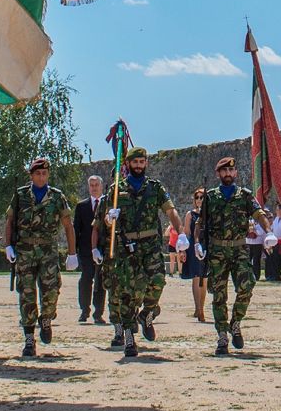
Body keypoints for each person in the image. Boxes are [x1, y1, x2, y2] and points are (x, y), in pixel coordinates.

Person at [91, 146, 186, 357]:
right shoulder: (116, 190)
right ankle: (129, 337)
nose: (138, 166)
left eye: (142, 162)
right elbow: (104, 221)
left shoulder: (155, 188)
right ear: (128, 164)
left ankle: (146, 314)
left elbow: (171, 211)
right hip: (126, 247)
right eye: (135, 162)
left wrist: (181, 234)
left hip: (150, 244)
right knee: (126, 293)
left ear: (146, 164)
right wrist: (110, 218)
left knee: (158, 281)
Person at [193, 156, 273, 356]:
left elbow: (259, 214)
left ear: (235, 173)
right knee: (219, 295)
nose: (228, 174)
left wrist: (268, 231)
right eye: (224, 171)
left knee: (247, 285)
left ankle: (236, 322)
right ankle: (222, 335)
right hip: (217, 251)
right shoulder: (210, 196)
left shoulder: (244, 195)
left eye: (231, 170)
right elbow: (200, 224)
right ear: (218, 174)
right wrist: (197, 244)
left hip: (239, 250)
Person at [5, 157, 77, 357]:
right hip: (25, 251)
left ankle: (46, 318)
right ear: (31, 175)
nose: (41, 176)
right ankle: (29, 339)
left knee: (51, 293)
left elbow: (67, 225)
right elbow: (10, 221)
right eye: (37, 173)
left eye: (44, 173)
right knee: (27, 296)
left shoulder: (56, 196)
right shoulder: (20, 195)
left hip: (48, 253)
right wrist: (8, 245)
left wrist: (72, 253)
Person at [73, 175, 105, 324]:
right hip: (85, 250)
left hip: (103, 249)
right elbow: (76, 229)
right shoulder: (81, 206)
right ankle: (84, 310)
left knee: (101, 281)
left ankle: (98, 313)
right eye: (91, 185)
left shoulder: (108, 205)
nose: (94, 187)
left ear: (101, 186)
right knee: (86, 279)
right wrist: (73, 251)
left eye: (96, 184)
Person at [179, 187, 208, 323]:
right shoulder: (190, 214)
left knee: (205, 278)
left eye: (202, 197)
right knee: (196, 277)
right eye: (197, 197)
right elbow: (186, 233)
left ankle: (201, 306)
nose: (199, 200)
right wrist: (183, 250)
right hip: (193, 248)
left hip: (206, 246)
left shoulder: (209, 214)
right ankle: (198, 308)